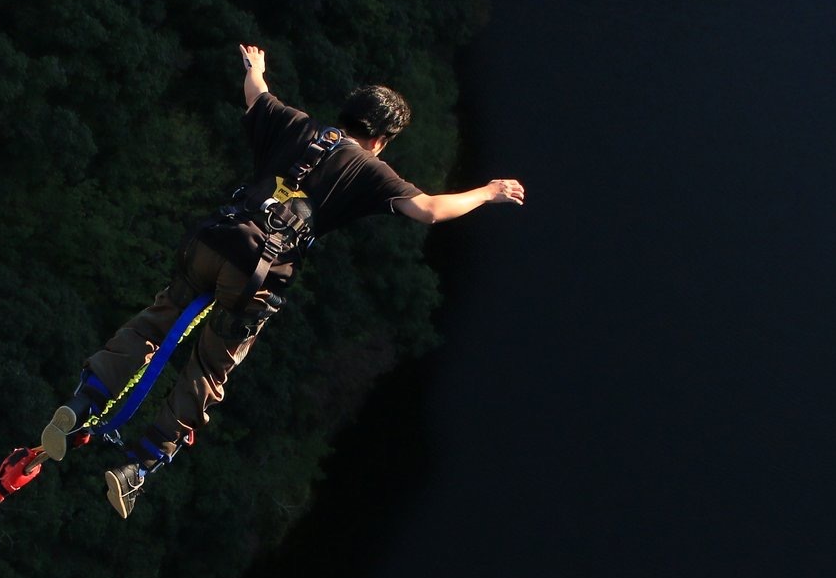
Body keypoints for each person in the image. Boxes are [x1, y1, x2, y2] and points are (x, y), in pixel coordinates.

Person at [41, 43, 526, 519]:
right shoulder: (369, 170)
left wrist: (256, 66)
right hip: (254, 277)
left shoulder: (296, 123)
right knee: (208, 368)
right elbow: (431, 210)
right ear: (381, 139)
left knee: (153, 323)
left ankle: (82, 403)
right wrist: (488, 191)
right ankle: (138, 467)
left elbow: (257, 94)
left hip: (212, 240)